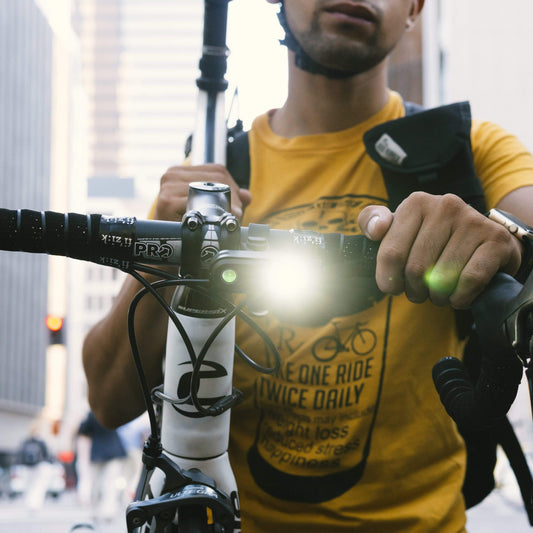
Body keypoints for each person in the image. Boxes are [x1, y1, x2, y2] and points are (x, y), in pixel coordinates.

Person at [82, 1, 533, 531]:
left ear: (414, 8)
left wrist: (508, 243)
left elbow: (523, 222)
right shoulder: (212, 181)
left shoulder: (472, 150)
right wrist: (164, 249)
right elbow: (109, 401)